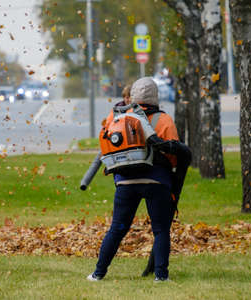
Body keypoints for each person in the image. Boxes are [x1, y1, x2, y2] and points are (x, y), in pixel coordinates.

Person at [87, 77, 179, 282]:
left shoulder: (120, 117)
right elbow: (174, 154)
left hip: (125, 182)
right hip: (157, 181)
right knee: (161, 230)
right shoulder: (163, 120)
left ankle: (98, 273)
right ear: (156, 96)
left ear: (133, 97)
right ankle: (161, 276)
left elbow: (107, 144)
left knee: (117, 229)